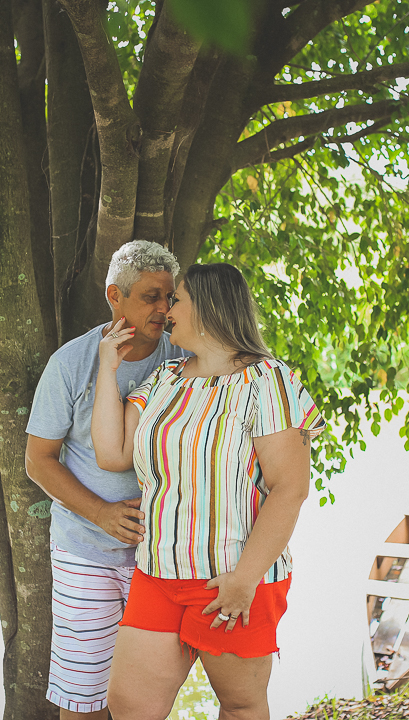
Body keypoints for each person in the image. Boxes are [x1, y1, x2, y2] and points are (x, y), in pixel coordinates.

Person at [91, 263, 326, 720]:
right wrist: (107, 368)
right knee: (130, 705)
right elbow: (111, 452)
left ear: (209, 308)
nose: (167, 310)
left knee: (240, 707)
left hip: (230, 579)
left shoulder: (269, 381)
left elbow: (290, 489)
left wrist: (244, 580)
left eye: (176, 299)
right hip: (158, 571)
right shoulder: (166, 379)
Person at [24, 240, 188, 720]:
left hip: (161, 556)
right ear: (115, 296)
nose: (164, 308)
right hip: (85, 551)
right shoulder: (70, 364)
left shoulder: (185, 358)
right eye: (151, 296)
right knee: (84, 696)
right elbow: (38, 461)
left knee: (147, 699)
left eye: (169, 297)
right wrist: (101, 513)